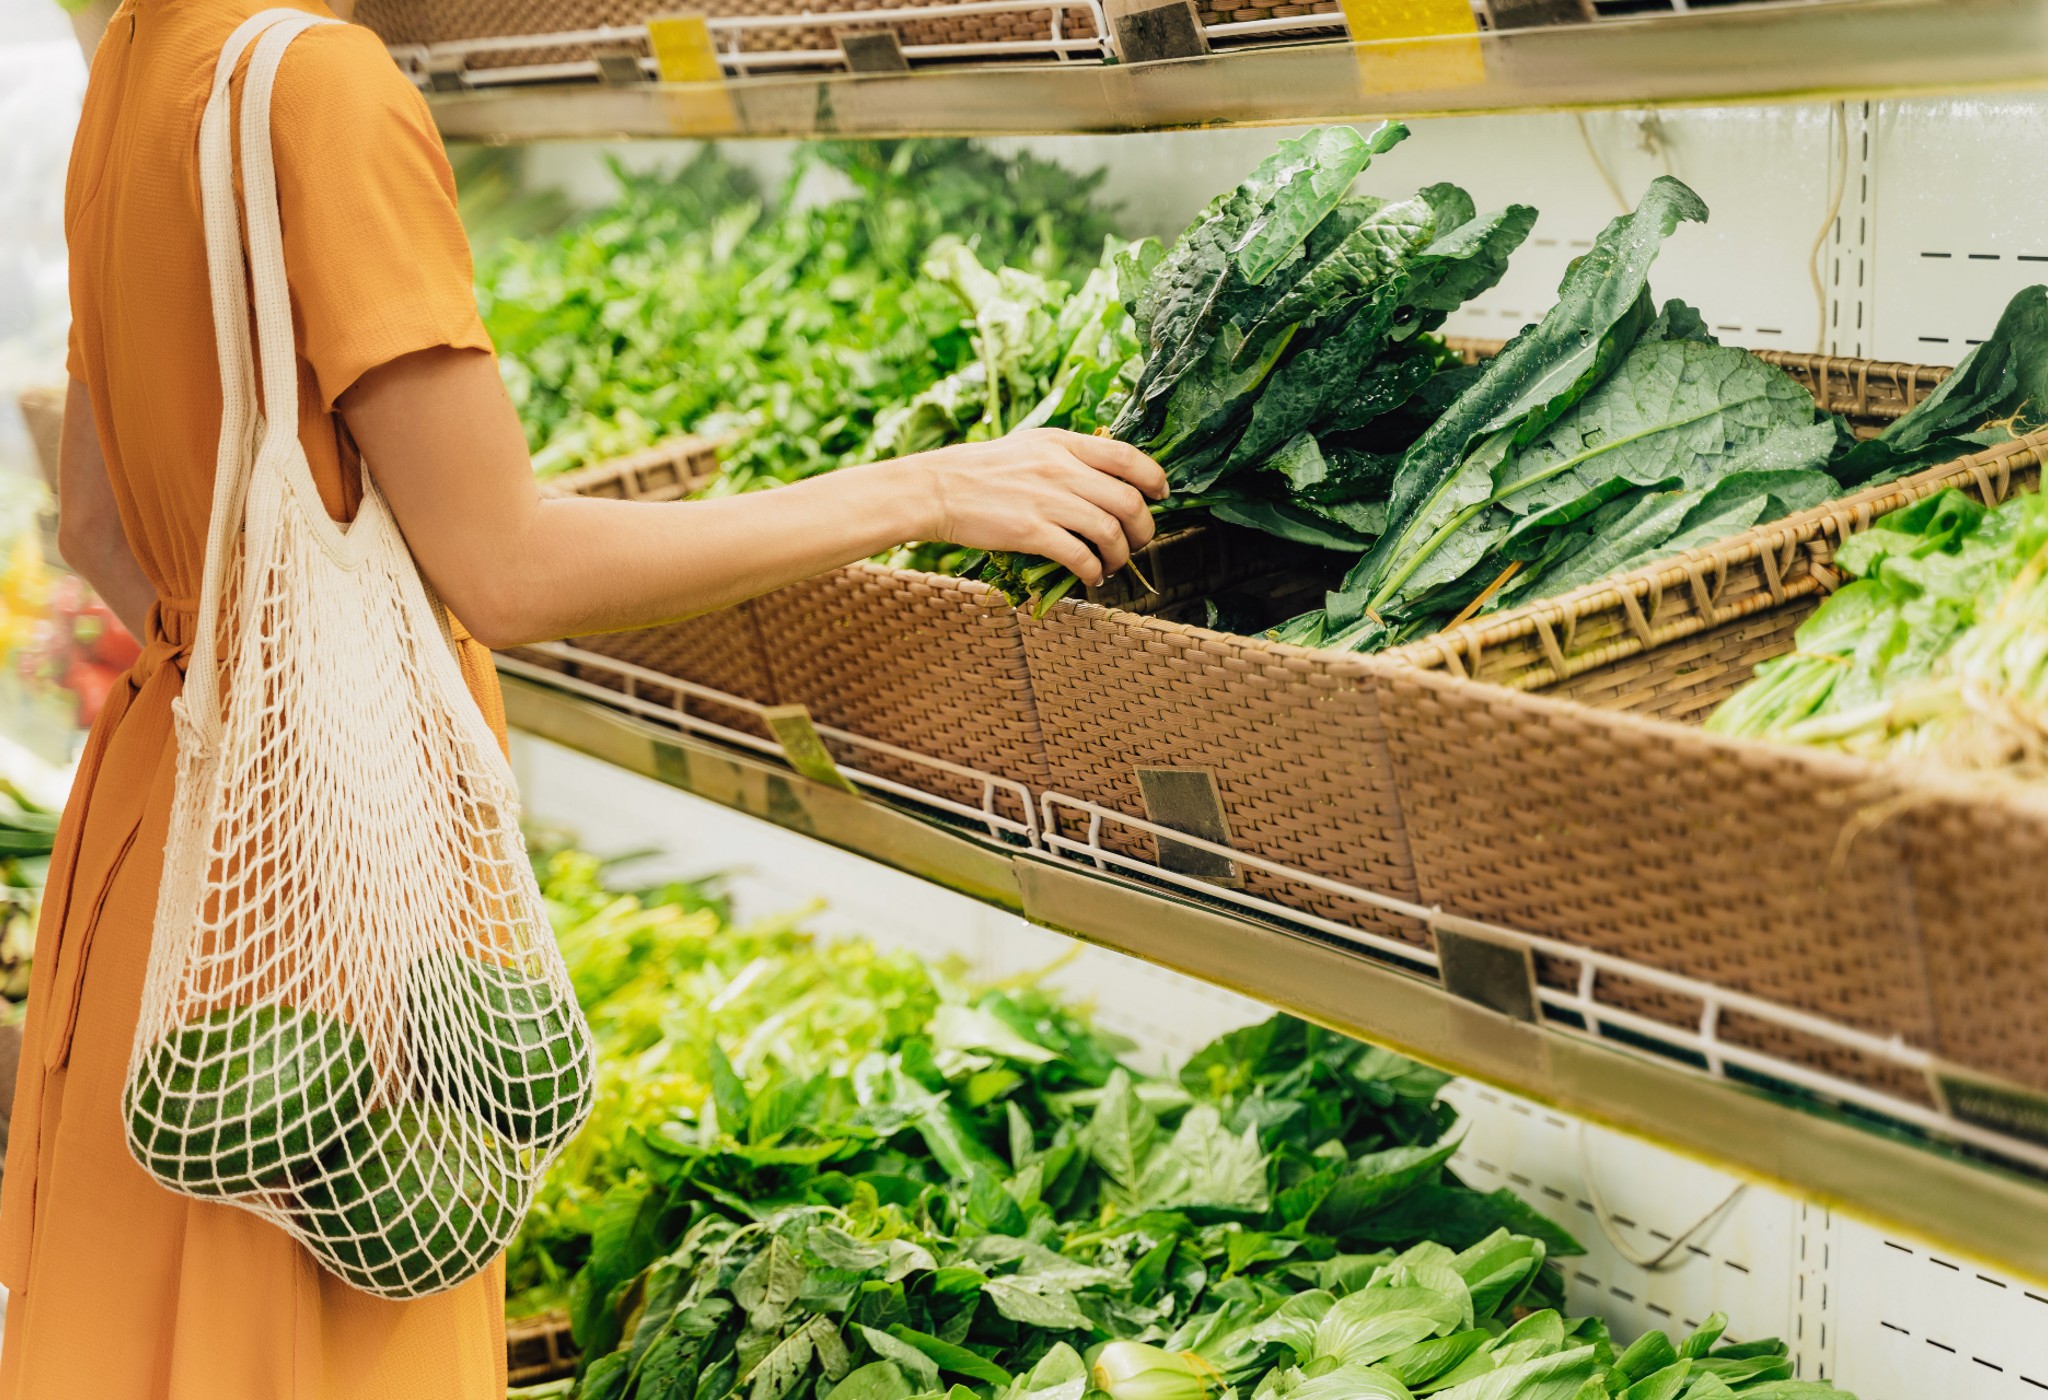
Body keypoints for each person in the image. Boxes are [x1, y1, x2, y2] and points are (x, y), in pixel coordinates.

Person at [3, 0, 1165, 1393]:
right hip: (332, 948)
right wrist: (926, 485)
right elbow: (510, 570)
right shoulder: (322, 84)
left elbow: (99, 531)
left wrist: (260, 694)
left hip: (172, 871)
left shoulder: (144, 58)